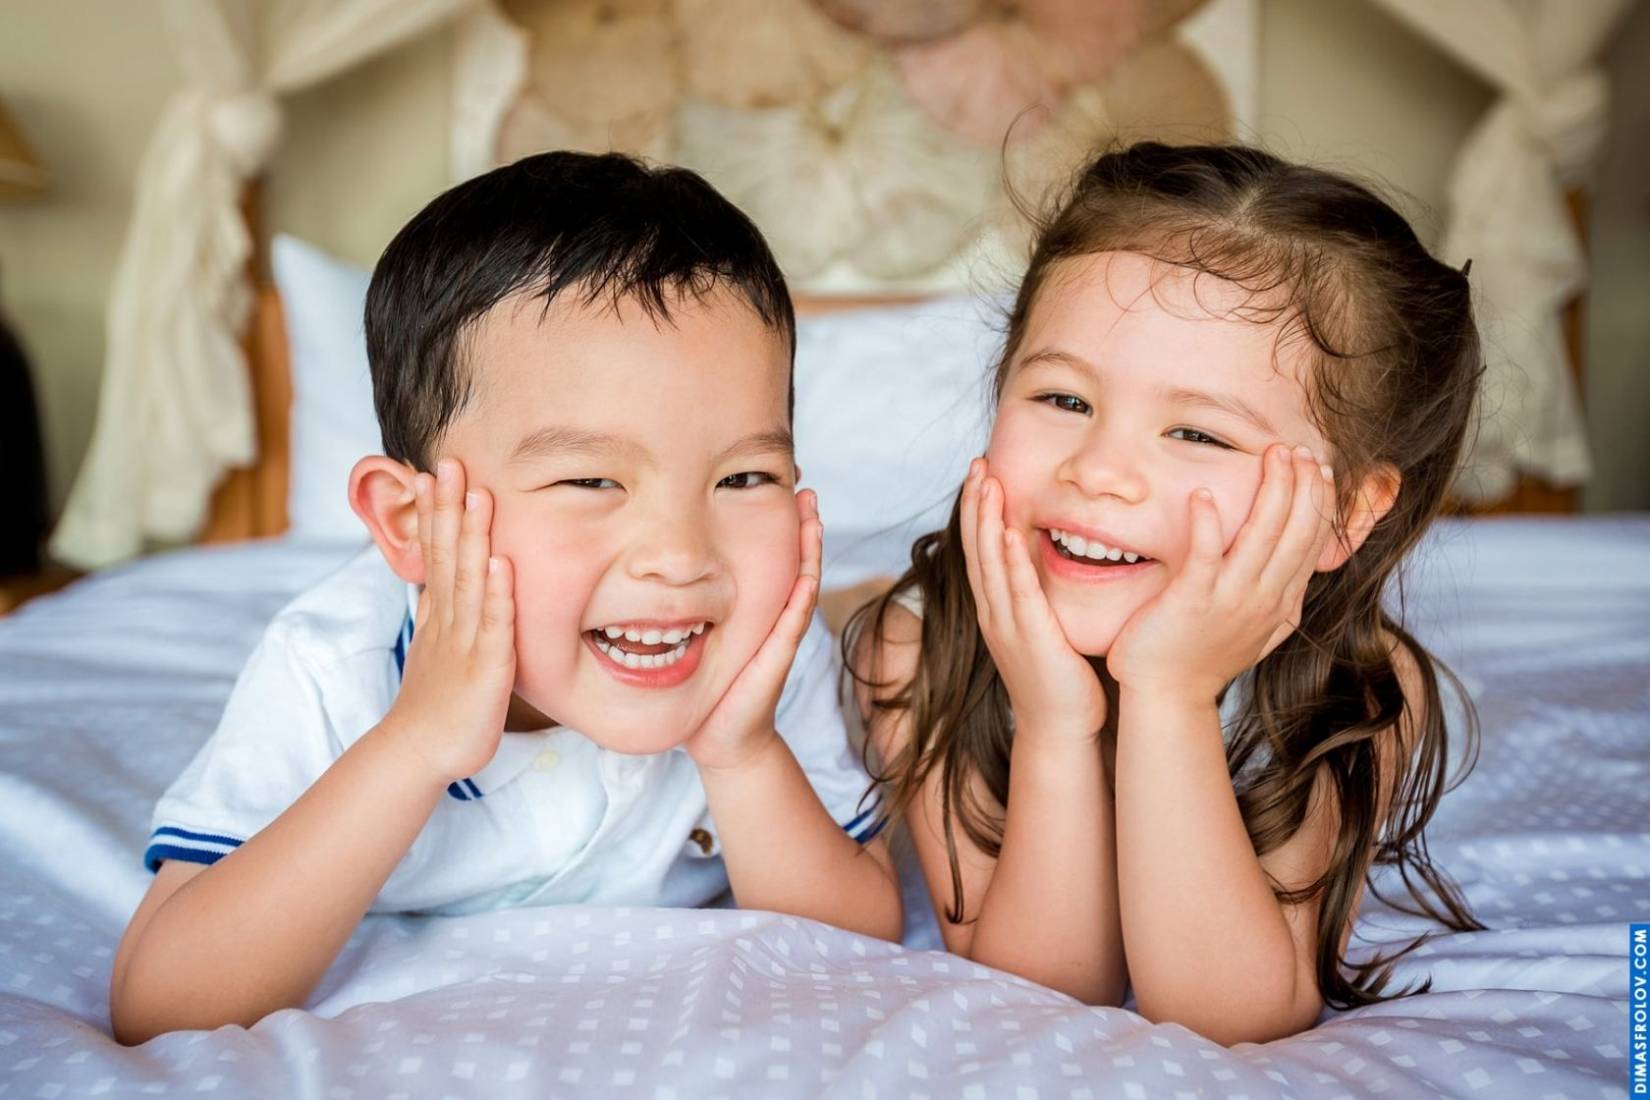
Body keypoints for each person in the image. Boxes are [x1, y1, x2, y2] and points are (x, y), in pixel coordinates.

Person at [112, 151, 901, 1045]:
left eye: (745, 476)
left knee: (870, 636)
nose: (682, 557)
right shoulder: (336, 666)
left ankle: (859, 600)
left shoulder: (760, 650)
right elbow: (159, 1004)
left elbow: (857, 945)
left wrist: (742, 754)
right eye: (592, 480)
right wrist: (414, 744)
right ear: (410, 525)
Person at [848, 142, 1483, 1045]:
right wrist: (1056, 726)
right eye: (1064, 400)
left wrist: (1170, 697)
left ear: (1345, 511)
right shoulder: (918, 643)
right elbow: (1044, 994)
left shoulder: (1362, 687)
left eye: (1196, 433)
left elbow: (1236, 1013)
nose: (1100, 472)